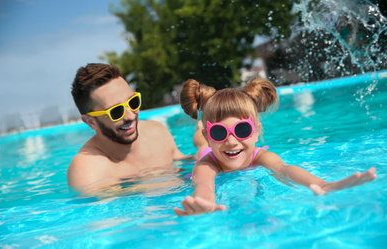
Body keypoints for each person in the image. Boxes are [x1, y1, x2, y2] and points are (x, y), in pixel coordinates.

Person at [173, 77, 377, 217]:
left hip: (215, 146)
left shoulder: (259, 156)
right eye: (219, 132)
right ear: (211, 137)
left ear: (256, 130)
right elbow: (204, 185)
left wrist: (321, 184)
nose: (232, 141)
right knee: (199, 147)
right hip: (207, 152)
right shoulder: (207, 164)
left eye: (242, 130)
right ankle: (199, 131)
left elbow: (284, 169)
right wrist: (204, 203)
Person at [68, 63, 191, 193]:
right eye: (116, 111)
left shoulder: (156, 133)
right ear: (91, 122)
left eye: (133, 102)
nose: (130, 115)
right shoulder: (86, 169)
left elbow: (186, 164)